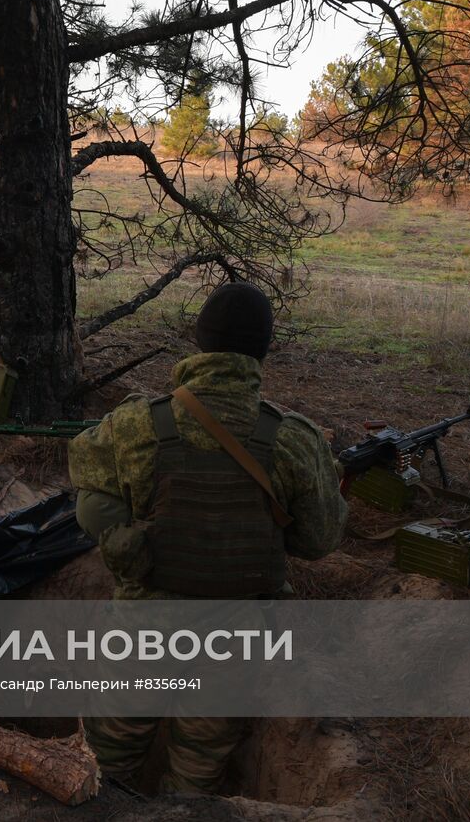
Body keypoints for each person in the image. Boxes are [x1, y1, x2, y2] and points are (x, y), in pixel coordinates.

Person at [67, 281, 347, 794]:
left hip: (141, 632)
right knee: (198, 771)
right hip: (235, 639)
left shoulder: (134, 424)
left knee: (104, 762)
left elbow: (91, 506)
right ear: (263, 348)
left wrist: (135, 544)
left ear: (200, 341)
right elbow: (317, 542)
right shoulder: (293, 439)